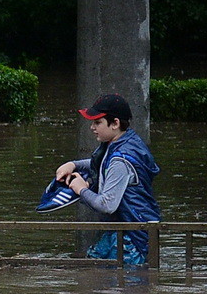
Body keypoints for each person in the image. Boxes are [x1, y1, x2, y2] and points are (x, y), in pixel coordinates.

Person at [54, 93, 161, 266]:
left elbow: (107, 205)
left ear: (115, 123)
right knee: (97, 274)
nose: (92, 127)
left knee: (123, 287)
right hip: (125, 230)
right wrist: (74, 165)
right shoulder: (125, 141)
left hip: (133, 237)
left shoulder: (121, 159)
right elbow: (104, 165)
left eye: (97, 122)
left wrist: (81, 189)